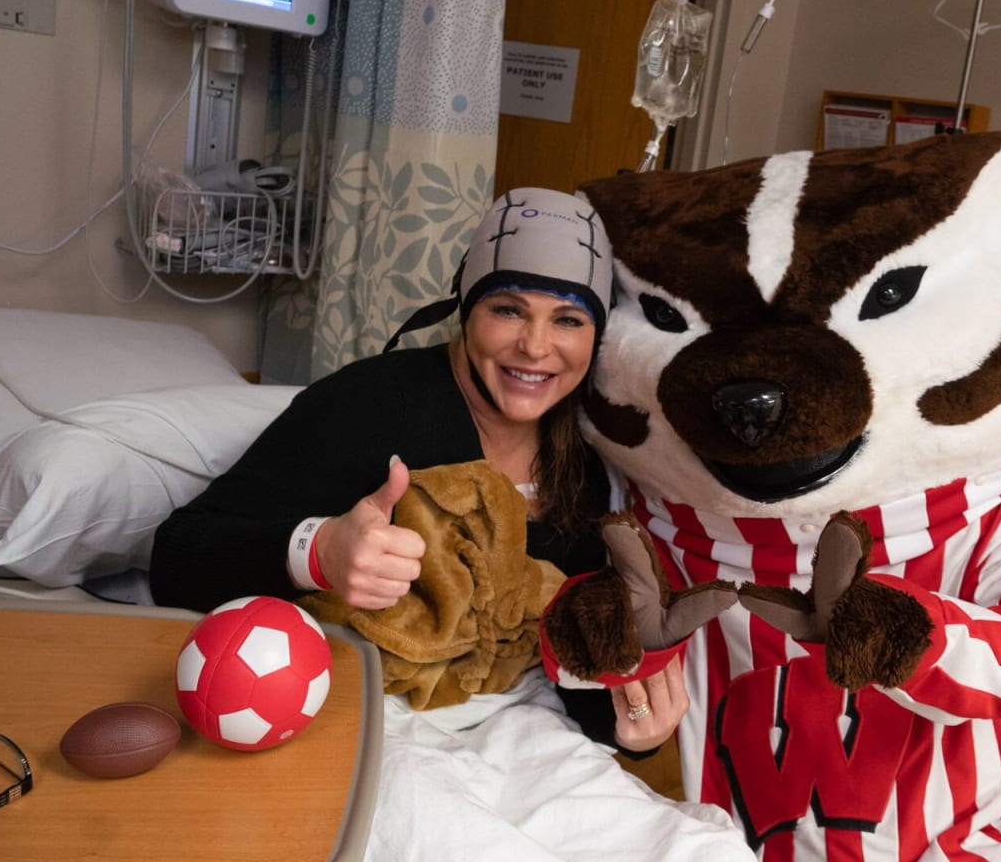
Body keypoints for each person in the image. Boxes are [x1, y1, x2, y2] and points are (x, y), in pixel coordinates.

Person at [148, 187, 684, 758]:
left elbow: (569, 651)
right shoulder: (368, 406)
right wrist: (317, 552)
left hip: (517, 730)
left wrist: (629, 728)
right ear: (466, 307)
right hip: (367, 720)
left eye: (569, 320)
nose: (535, 346)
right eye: (508, 309)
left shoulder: (588, 454)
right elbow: (175, 560)